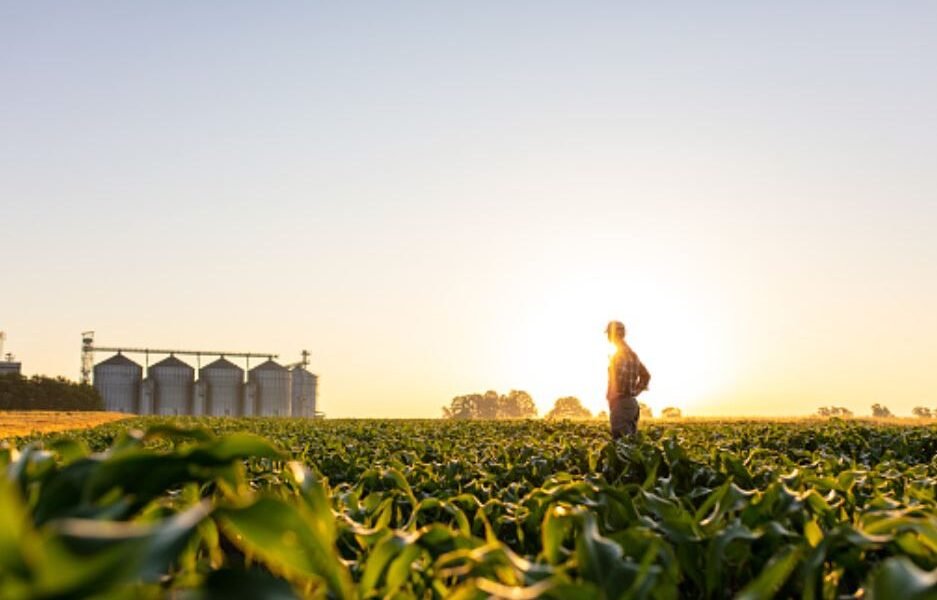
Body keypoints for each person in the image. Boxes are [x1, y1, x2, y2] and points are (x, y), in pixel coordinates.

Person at [605, 320, 650, 439]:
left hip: (622, 404)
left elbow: (619, 379)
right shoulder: (632, 354)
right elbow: (646, 376)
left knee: (621, 445)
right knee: (630, 445)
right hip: (630, 404)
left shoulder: (619, 355)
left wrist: (620, 393)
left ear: (612, 334)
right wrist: (634, 392)